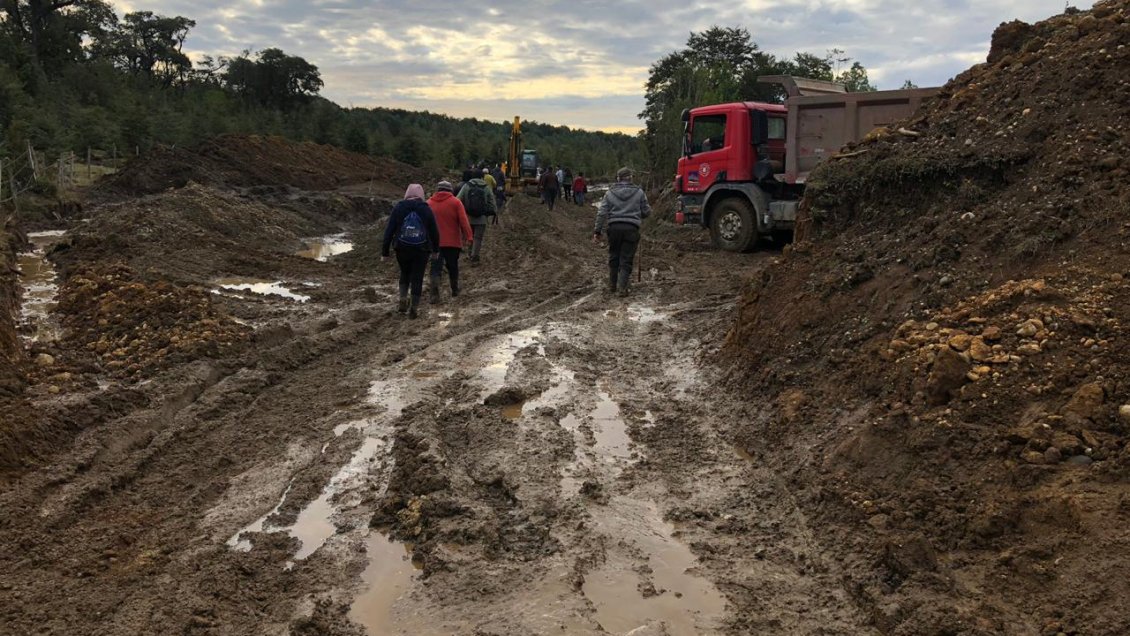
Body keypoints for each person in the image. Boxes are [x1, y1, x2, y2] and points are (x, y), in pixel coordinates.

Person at [382, 184, 440, 318]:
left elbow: (389, 231)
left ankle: (403, 299)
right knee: (417, 277)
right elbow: (434, 232)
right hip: (421, 249)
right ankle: (414, 307)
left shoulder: (399, 207)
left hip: (402, 248)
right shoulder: (426, 209)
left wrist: (385, 252)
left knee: (405, 273)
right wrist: (435, 250)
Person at [593, 167, 650, 297]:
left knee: (614, 255)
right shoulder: (639, 192)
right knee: (626, 258)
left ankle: (612, 285)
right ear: (630, 178)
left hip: (613, 228)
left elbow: (602, 213)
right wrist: (639, 214)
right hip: (631, 228)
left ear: (618, 178)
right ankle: (622, 288)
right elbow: (646, 211)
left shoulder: (610, 193)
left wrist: (597, 230)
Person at [427, 180, 473, 302]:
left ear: (438, 190)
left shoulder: (429, 203)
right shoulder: (456, 202)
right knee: (453, 266)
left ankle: (434, 294)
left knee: (435, 268)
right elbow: (464, 221)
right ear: (450, 191)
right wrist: (469, 236)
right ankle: (454, 289)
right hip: (453, 242)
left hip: (435, 243)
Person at [458, 172, 498, 264]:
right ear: (482, 177)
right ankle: (475, 256)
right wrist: (492, 212)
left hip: (468, 217)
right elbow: (492, 203)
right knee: (478, 238)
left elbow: (458, 199)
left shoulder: (467, 186)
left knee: (470, 236)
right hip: (481, 218)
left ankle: (469, 254)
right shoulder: (486, 187)